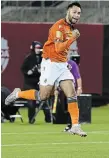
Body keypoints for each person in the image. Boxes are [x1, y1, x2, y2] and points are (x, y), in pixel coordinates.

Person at [5, 2, 87, 137]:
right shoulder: (58, 27)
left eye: (79, 13)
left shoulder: (69, 27)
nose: (77, 15)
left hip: (61, 65)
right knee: (43, 96)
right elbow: (59, 48)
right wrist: (73, 38)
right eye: (74, 12)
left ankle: (75, 126)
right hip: (50, 64)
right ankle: (18, 94)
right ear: (68, 11)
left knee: (71, 93)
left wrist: (65, 61)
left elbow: (63, 51)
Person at [21, 41, 52, 123]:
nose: (38, 50)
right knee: (31, 103)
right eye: (37, 48)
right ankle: (31, 119)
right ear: (33, 48)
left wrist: (41, 71)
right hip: (30, 83)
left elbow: (48, 70)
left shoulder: (44, 59)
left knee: (44, 101)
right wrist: (28, 72)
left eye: (40, 48)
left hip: (40, 83)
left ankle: (48, 119)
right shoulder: (28, 58)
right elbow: (23, 69)